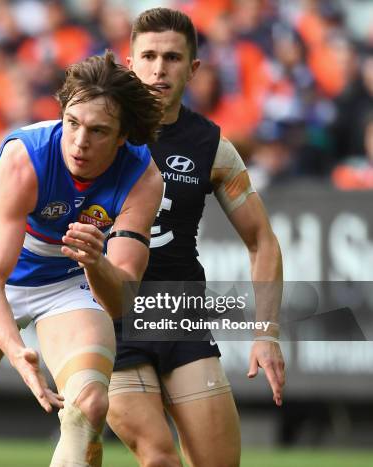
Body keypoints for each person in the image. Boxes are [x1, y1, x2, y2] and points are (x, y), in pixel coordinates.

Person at [0, 50, 164, 465]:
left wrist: (97, 262)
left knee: (88, 406)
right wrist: (17, 354)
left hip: (67, 279)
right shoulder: (24, 158)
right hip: (2, 279)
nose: (79, 143)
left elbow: (121, 302)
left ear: (122, 137)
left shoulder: (144, 178)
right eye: (73, 124)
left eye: (98, 131)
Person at [106, 8, 286, 467]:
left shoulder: (212, 146)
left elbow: (261, 240)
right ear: (130, 63)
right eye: (148, 56)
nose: (159, 68)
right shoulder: (97, 132)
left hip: (177, 313)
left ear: (194, 69)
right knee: (159, 457)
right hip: (108, 314)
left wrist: (266, 333)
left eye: (172, 57)